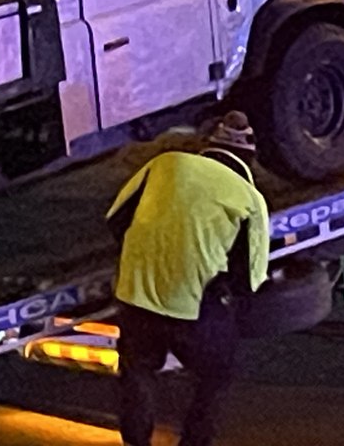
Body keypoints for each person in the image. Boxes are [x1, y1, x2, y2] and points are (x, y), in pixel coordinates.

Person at [106, 111, 270, 446]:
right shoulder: (250, 198)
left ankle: (136, 442)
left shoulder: (163, 165)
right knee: (216, 376)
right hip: (193, 307)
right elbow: (248, 278)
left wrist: (143, 252)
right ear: (248, 159)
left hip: (136, 295)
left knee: (138, 371)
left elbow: (116, 219)